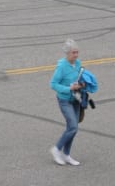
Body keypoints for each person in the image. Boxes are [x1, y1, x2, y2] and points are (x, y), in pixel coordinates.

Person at [49, 38, 83, 166]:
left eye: (77, 52)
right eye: (73, 53)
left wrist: (82, 84)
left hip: (76, 99)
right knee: (73, 127)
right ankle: (56, 149)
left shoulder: (78, 63)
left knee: (72, 129)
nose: (76, 55)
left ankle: (66, 155)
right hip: (64, 100)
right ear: (67, 53)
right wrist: (69, 88)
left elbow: (79, 77)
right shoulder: (62, 67)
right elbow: (53, 84)